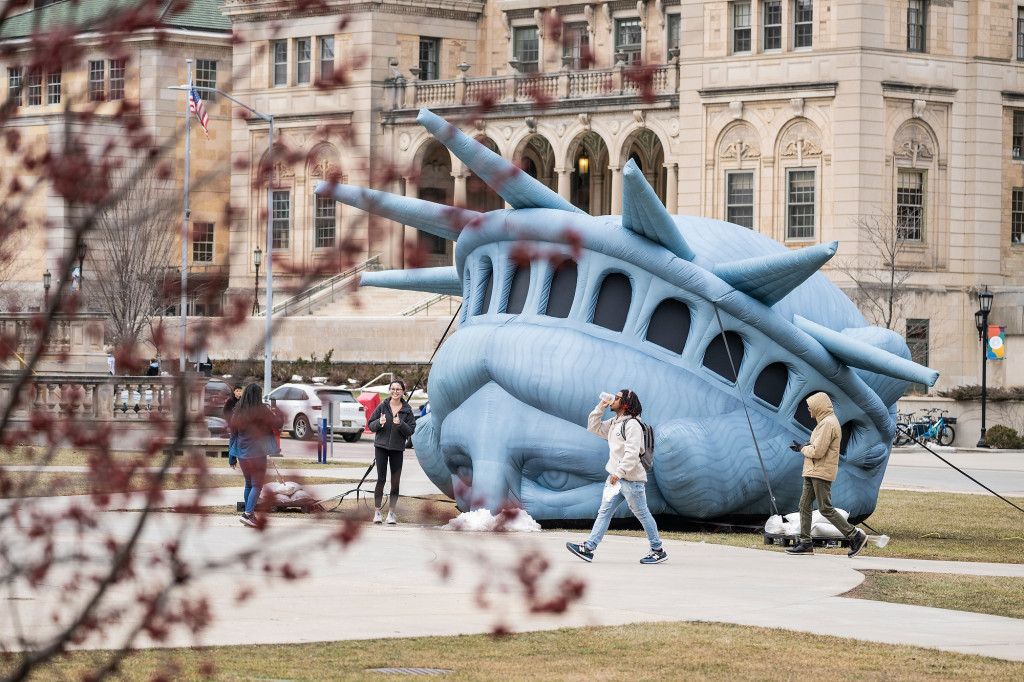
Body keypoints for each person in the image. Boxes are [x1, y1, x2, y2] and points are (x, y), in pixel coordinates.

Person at [567, 389, 667, 565]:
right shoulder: (615, 422)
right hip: (616, 479)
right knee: (604, 512)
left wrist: (619, 473)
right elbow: (593, 427)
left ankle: (658, 550)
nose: (613, 399)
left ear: (626, 403)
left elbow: (633, 453)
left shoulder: (632, 425)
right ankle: (588, 548)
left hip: (630, 480)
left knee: (642, 514)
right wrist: (601, 406)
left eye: (617, 398)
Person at [786, 392, 869, 557]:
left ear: (818, 408)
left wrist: (802, 448)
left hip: (820, 471)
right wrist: (806, 444)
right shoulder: (824, 423)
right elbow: (818, 445)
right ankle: (805, 543)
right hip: (814, 470)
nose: (810, 412)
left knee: (825, 508)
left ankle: (856, 536)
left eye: (811, 408)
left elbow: (818, 452)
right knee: (804, 506)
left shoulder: (827, 424)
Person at [228, 384, 284, 528]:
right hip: (257, 453)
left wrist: (231, 456)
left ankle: (250, 514)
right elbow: (278, 424)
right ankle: (247, 513)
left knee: (248, 484)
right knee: (257, 485)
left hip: (242, 453)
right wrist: (277, 413)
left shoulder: (238, 411)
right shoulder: (262, 411)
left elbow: (233, 434)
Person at [367, 379, 417, 524]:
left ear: (403, 392)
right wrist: (379, 423)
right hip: (381, 447)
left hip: (397, 449)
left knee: (395, 482)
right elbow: (371, 425)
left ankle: (391, 514)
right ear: (389, 390)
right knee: (381, 480)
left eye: (398, 389)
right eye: (393, 389)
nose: (395, 392)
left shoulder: (407, 410)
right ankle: (377, 513)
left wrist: (401, 424)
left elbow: (411, 430)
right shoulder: (382, 406)